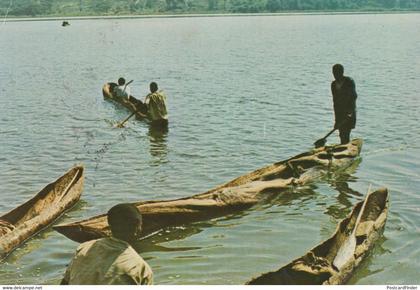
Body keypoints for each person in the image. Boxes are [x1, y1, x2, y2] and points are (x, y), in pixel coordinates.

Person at [61, 203, 153, 285]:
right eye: (141, 225)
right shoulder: (140, 268)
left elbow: (64, 283)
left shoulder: (84, 248)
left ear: (109, 225)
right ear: (137, 228)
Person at [331, 64, 357, 144]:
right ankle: (344, 147)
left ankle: (347, 151)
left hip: (349, 113)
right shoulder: (333, 85)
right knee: (341, 134)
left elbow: (353, 97)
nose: (335, 75)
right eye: (334, 73)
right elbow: (335, 102)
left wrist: (349, 112)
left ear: (342, 72)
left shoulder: (349, 82)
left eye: (337, 73)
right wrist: (336, 120)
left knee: (345, 133)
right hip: (339, 113)